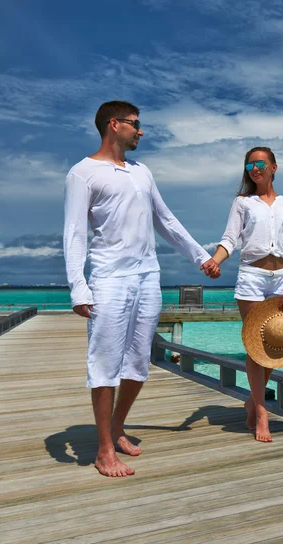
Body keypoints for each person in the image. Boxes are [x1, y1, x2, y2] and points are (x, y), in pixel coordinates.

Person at [64, 100, 220, 478]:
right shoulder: (83, 173)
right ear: (114, 125)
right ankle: (103, 450)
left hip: (148, 276)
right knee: (104, 364)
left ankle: (116, 429)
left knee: (137, 364)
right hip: (109, 279)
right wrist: (78, 288)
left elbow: (165, 219)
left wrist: (201, 257)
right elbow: (74, 234)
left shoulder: (141, 171)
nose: (141, 131)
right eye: (135, 124)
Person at [211, 146, 283, 443]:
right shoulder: (242, 203)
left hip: (281, 280)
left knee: (275, 346)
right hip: (252, 277)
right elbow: (230, 238)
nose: (255, 168)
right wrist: (215, 260)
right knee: (256, 347)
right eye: (250, 164)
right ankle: (263, 411)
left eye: (261, 163)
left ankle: (252, 401)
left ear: (274, 167)